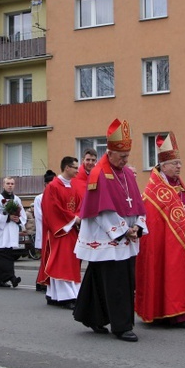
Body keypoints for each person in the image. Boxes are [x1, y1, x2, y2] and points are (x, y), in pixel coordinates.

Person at [73, 119, 148, 342]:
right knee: (116, 283)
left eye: (127, 156)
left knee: (99, 278)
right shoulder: (98, 173)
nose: (125, 160)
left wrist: (138, 226)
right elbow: (101, 210)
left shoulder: (125, 173)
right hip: (106, 236)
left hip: (126, 234)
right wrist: (124, 230)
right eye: (122, 156)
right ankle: (121, 326)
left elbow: (137, 204)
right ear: (110, 151)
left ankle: (92, 315)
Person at [135, 133, 185, 329]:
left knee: (180, 277)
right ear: (164, 165)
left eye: (180, 163)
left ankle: (181, 313)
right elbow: (154, 220)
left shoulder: (177, 185)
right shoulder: (154, 191)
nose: (179, 167)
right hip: (165, 245)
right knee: (166, 275)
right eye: (175, 163)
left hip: (179, 242)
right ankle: (167, 314)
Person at [37, 157, 82, 310]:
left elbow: (79, 204)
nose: (78, 170)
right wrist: (72, 219)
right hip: (60, 231)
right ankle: (67, 296)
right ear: (67, 168)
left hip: (71, 230)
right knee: (62, 263)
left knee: (69, 262)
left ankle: (54, 295)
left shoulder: (74, 186)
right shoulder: (53, 186)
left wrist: (77, 217)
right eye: (75, 167)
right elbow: (51, 209)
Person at [33, 170, 57, 292]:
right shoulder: (39, 198)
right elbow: (40, 216)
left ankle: (47, 280)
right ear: (45, 185)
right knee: (45, 258)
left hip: (56, 231)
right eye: (49, 183)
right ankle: (40, 282)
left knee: (51, 258)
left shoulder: (57, 195)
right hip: (45, 231)